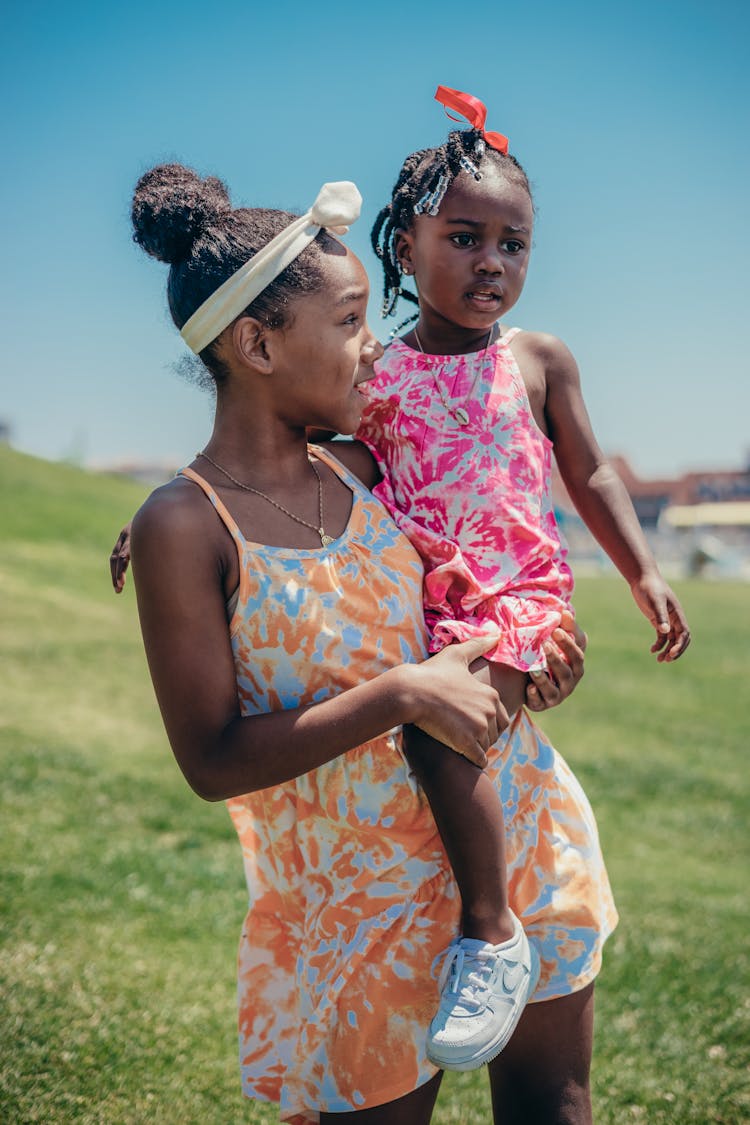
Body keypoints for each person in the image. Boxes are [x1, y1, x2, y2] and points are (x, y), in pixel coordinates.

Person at [112, 158, 615, 1124]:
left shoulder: (365, 468)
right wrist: (405, 693)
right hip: (353, 907)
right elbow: (212, 761)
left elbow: (487, 566)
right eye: (348, 323)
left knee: (554, 1107)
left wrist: (545, 645)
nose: (374, 344)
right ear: (256, 342)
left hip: (513, 843)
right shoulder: (190, 522)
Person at [351, 85, 689, 1074]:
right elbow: (302, 464)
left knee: (438, 735)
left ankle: (493, 934)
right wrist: (182, 512)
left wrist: (643, 572)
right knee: (423, 722)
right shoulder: (370, 372)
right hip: (422, 612)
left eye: (513, 245)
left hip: (516, 602)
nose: (491, 263)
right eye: (464, 238)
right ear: (406, 247)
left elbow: (589, 472)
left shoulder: (539, 360)